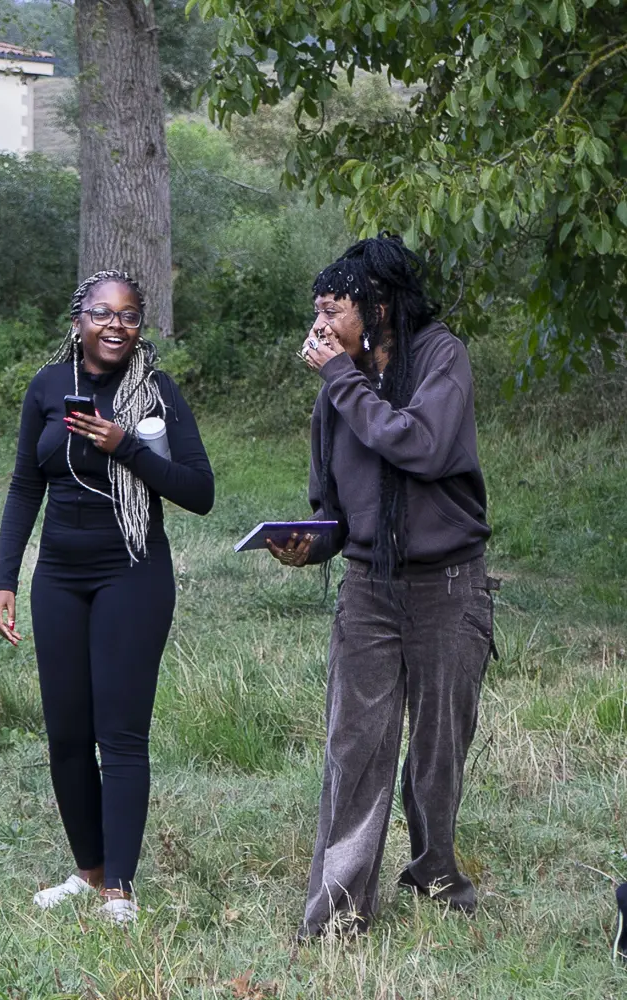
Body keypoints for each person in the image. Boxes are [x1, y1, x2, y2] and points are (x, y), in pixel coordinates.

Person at [271, 235, 495, 939]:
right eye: (317, 310)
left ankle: (435, 875)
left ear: (378, 307)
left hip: (448, 586)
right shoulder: (337, 391)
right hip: (369, 589)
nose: (318, 326)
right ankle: (339, 915)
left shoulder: (441, 357)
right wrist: (308, 545)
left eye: (331, 309)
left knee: (437, 752)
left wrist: (342, 377)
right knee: (355, 748)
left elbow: (421, 445)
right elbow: (332, 511)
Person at [0, 271, 215, 924]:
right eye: (103, 313)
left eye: (130, 315)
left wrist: (125, 446)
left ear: (140, 325)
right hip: (59, 576)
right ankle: (87, 873)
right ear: (78, 321)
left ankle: (119, 888)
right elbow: (24, 484)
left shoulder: (156, 391)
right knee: (66, 733)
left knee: (119, 733)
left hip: (132, 573)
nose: (117, 325)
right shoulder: (47, 386)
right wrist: (5, 578)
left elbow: (200, 492)